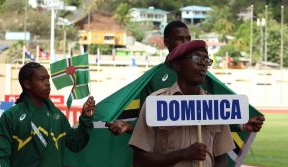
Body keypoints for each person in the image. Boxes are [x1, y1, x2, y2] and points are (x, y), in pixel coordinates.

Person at [107, 20, 265, 134]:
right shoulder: (154, 78)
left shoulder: (201, 75)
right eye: (180, 39)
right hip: (168, 159)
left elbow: (212, 115)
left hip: (201, 161)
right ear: (166, 42)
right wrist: (127, 126)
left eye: (188, 39)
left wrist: (242, 125)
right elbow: (145, 119)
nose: (185, 43)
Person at [129, 40, 235, 167]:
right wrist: (183, 154)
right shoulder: (156, 104)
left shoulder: (215, 106)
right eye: (196, 58)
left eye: (206, 60)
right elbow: (139, 162)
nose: (203, 64)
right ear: (178, 65)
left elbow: (222, 158)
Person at [0, 62, 95, 167]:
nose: (48, 83)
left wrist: (86, 119)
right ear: (27, 84)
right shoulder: (11, 116)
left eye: (48, 79)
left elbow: (75, 143)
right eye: (42, 79)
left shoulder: (57, 116)